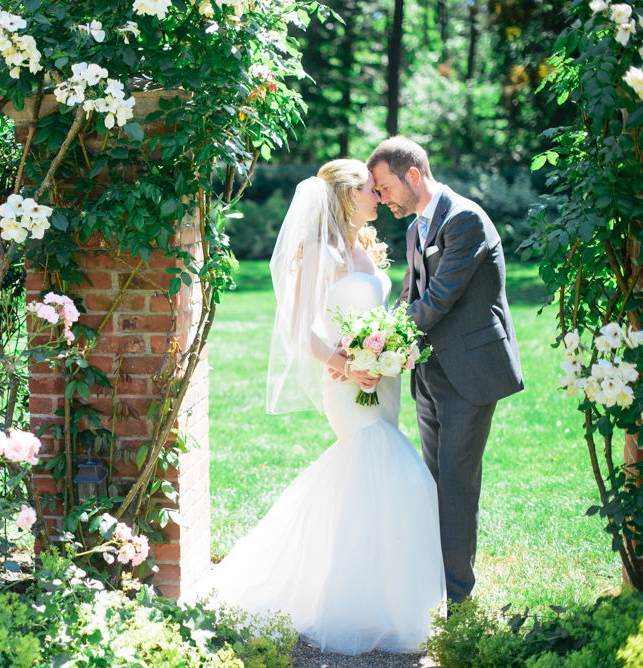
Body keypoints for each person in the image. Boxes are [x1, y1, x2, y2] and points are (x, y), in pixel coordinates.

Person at [187, 159, 445, 655]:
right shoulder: (321, 254)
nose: (379, 198)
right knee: (403, 477)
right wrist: (347, 365)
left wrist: (391, 347)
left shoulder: (363, 247)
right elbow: (297, 331)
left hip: (379, 377)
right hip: (349, 382)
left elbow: (378, 312)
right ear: (348, 197)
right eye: (371, 191)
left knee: (372, 482)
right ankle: (356, 606)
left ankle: (374, 600)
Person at [367, 137, 523, 607]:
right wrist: (371, 337)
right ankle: (436, 587)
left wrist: (379, 342)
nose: (380, 198)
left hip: (470, 375)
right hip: (430, 375)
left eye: (383, 187)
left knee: (455, 485)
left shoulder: (465, 221)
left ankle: (457, 600)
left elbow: (436, 301)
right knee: (434, 481)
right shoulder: (417, 229)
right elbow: (410, 297)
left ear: (412, 176)